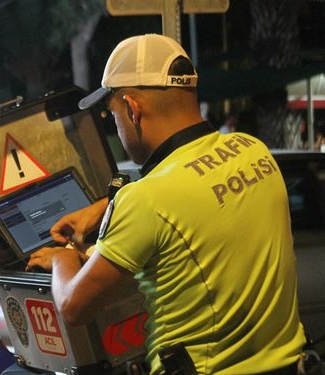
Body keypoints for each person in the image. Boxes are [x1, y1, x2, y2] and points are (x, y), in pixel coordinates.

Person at [26, 34, 306, 374]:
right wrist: (106, 207)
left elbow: (72, 307)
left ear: (132, 108)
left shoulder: (147, 201)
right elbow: (195, 201)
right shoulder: (253, 151)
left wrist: (64, 258)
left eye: (113, 115)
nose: (117, 124)